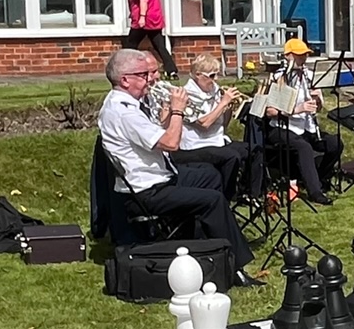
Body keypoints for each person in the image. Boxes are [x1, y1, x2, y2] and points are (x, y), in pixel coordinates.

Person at [97, 47, 260, 278]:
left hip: (158, 177)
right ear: (125, 80)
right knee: (213, 200)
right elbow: (172, 143)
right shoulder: (124, 112)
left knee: (210, 176)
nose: (149, 80)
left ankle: (202, 246)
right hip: (146, 191)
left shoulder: (127, 105)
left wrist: (166, 112)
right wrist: (177, 111)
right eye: (143, 75)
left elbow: (155, 135)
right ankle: (235, 267)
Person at [256, 38, 340, 203]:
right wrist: (297, 109)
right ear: (288, 56)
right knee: (304, 147)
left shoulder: (309, 75)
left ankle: (319, 178)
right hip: (281, 128)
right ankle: (315, 193)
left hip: (306, 127)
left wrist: (318, 100)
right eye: (299, 55)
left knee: (334, 143)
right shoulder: (279, 78)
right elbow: (270, 112)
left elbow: (319, 108)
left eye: (305, 55)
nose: (303, 59)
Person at [172, 53, 246, 200]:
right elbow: (205, 124)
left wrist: (230, 107)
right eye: (212, 75)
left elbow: (223, 124)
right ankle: (225, 197)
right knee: (232, 157)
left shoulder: (215, 89)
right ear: (198, 75)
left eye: (217, 74)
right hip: (196, 145)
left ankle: (248, 193)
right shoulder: (187, 95)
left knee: (253, 150)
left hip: (216, 140)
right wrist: (223, 103)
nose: (216, 79)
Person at [125, 0, 175, 76]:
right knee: (159, 45)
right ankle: (171, 70)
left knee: (130, 46)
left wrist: (142, 17)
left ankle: (126, 68)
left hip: (144, 21)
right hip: (154, 19)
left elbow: (143, 0)